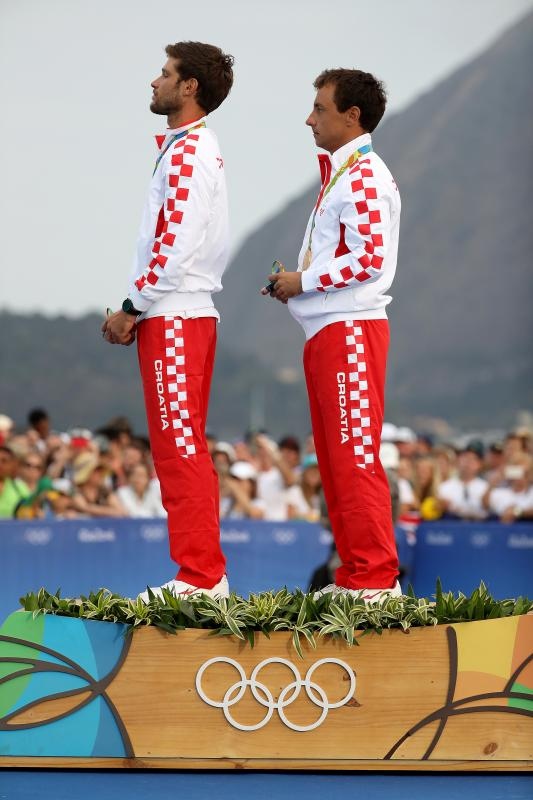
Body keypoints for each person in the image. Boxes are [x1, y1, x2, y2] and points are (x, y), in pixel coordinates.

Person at [102, 41, 234, 600]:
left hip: (173, 313)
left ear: (189, 88)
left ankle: (202, 576)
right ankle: (202, 572)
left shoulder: (188, 153)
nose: (153, 82)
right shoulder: (187, 148)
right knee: (181, 446)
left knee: (178, 447)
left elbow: (173, 244)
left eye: (164, 74)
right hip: (181, 311)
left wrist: (132, 306)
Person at [265, 69, 402, 601]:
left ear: (353, 117)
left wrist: (304, 280)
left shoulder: (365, 175)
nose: (309, 118)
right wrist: (299, 283)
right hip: (329, 330)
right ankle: (355, 573)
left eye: (319, 108)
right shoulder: (343, 174)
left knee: (352, 455)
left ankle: (375, 579)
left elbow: (370, 259)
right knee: (334, 458)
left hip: (349, 329)